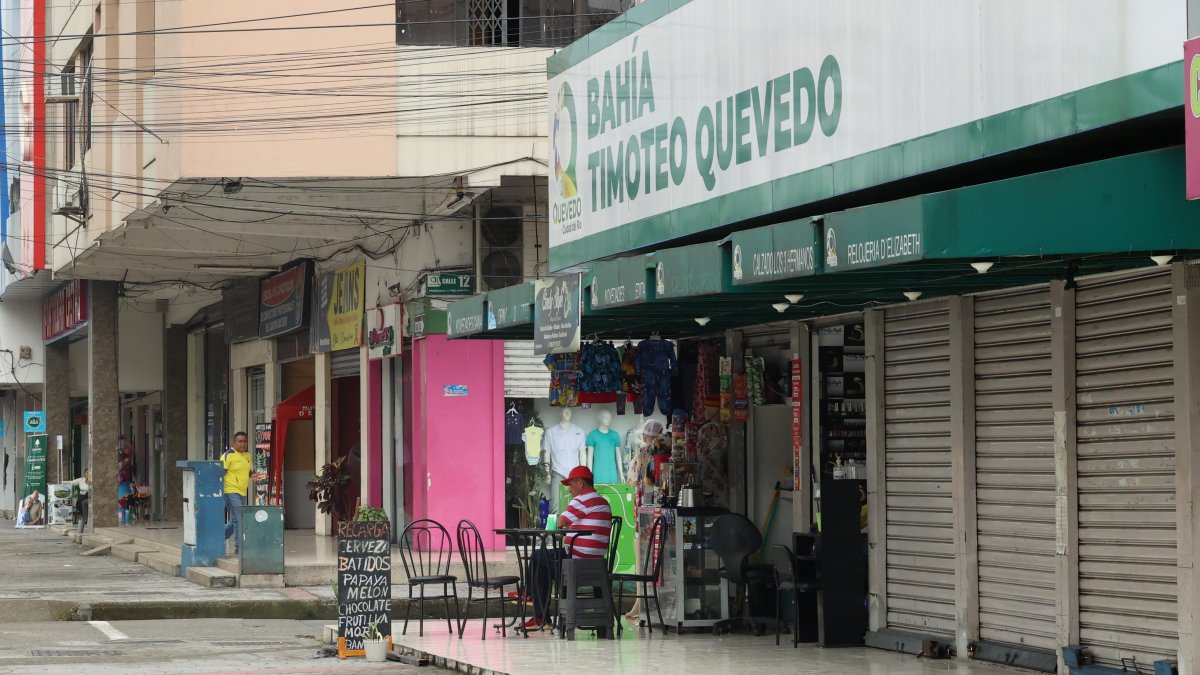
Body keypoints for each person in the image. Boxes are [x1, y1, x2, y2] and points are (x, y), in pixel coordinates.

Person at [524, 465, 612, 628]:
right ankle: (537, 609)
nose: (570, 490)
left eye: (571, 485)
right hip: (595, 561)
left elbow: (559, 522)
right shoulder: (601, 501)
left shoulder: (583, 499)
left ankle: (533, 601)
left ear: (580, 483)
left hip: (577, 561)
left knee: (537, 558)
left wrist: (564, 527)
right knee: (541, 562)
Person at [222, 431, 251, 554]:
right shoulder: (228, 455)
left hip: (243, 491)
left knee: (235, 520)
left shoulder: (247, 456)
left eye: (244, 441)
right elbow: (221, 472)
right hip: (230, 490)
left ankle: (218, 537)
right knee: (240, 517)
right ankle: (239, 547)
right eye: (240, 441)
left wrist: (253, 475)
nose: (243, 444)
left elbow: (246, 471)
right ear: (234, 443)